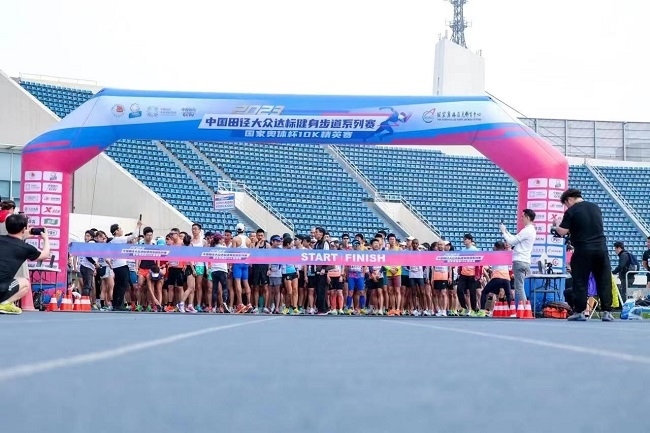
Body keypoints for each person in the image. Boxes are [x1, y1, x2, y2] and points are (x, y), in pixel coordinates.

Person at [552, 188, 614, 322]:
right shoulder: (595, 207)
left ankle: (579, 311)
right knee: (604, 280)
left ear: (569, 199)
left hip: (583, 250)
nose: (566, 207)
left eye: (566, 204)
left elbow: (562, 232)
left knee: (580, 281)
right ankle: (607, 312)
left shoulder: (572, 211)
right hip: (601, 249)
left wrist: (556, 224)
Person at [0, 214, 51, 314]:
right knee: (25, 283)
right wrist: (46, 238)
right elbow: (45, 254)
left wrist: (23, 235)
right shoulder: (25, 248)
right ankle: (4, 304)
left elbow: (11, 242)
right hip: (1, 289)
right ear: (24, 229)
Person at [499, 209, 537, 305]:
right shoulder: (531, 230)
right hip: (525, 260)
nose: (521, 218)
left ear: (527, 217)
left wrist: (503, 232)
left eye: (523, 216)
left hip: (519, 260)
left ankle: (524, 307)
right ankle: (524, 306)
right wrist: (506, 231)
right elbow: (515, 238)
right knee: (521, 286)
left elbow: (512, 241)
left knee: (519, 286)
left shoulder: (526, 230)